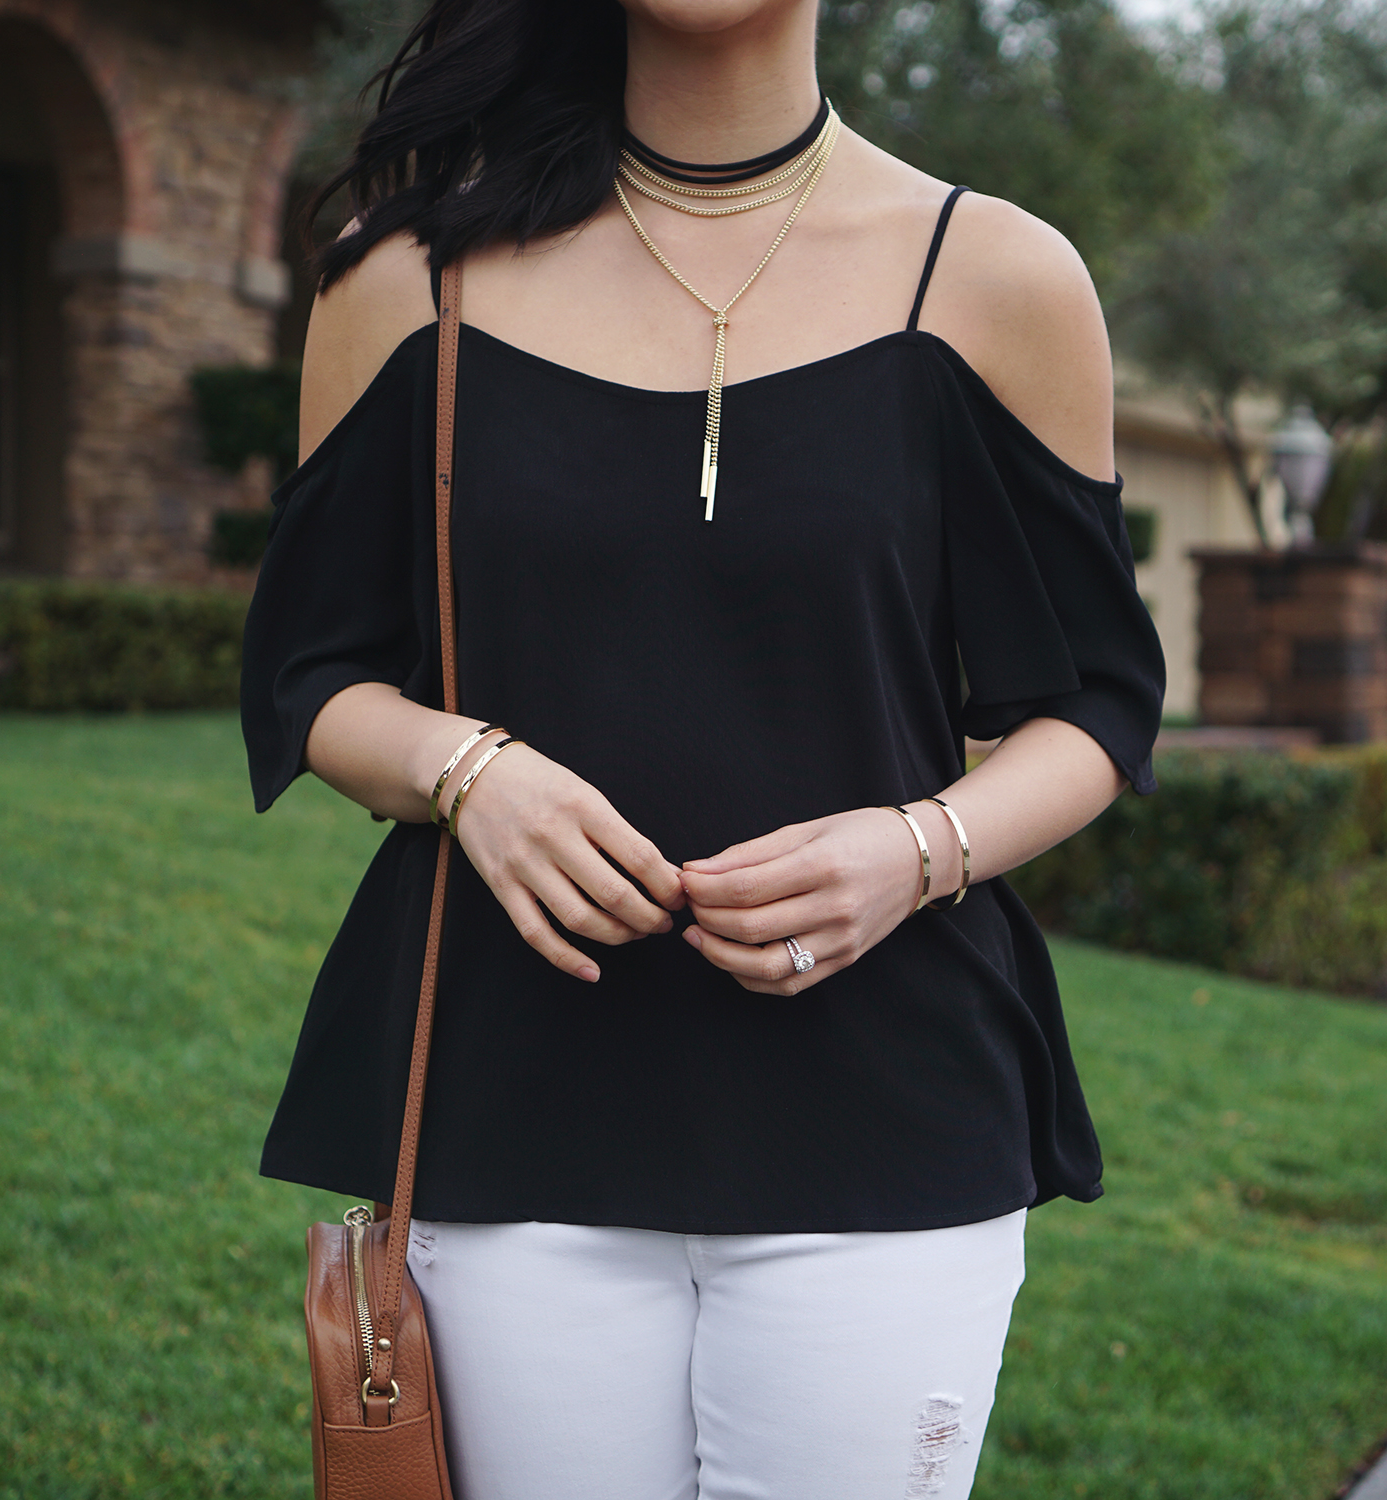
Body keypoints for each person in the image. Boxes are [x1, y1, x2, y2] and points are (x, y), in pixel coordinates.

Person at [241, 0, 1165, 1494]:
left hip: (886, 1122)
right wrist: (468, 771)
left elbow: (1098, 709)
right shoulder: (412, 282)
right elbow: (310, 675)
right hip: (512, 1113)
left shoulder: (995, 276)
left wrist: (916, 848)